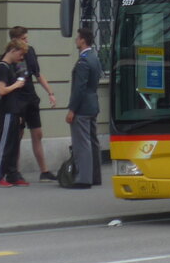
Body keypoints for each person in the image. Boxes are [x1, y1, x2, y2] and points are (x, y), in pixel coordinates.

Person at [9, 26, 58, 181]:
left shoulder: (30, 51)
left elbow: (37, 74)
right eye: (23, 39)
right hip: (18, 99)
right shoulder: (9, 55)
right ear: (15, 40)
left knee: (38, 133)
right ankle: (14, 170)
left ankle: (44, 171)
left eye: (26, 38)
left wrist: (50, 92)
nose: (26, 41)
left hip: (30, 97)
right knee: (18, 134)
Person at [65, 28, 104, 189]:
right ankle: (95, 176)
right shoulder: (94, 58)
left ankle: (83, 178)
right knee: (93, 141)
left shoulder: (83, 61)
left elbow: (79, 88)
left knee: (82, 143)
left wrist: (72, 109)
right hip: (93, 104)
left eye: (77, 38)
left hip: (82, 107)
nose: (76, 40)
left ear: (83, 40)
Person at [0, 40, 30, 187]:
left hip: (14, 110)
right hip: (7, 111)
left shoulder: (12, 67)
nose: (21, 58)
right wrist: (15, 85)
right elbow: (1, 90)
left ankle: (12, 175)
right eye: (20, 54)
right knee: (4, 144)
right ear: (13, 50)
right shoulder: (2, 68)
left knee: (13, 145)